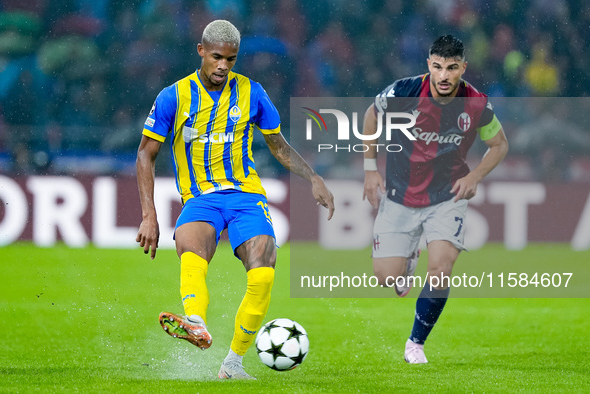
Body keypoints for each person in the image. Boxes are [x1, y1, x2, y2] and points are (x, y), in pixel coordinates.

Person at [135, 20, 334, 379]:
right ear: (201, 52)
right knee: (190, 247)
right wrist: (149, 215)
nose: (224, 66)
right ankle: (195, 321)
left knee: (263, 274)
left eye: (231, 59)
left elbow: (278, 144)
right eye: (217, 57)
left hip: (246, 196)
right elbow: (145, 154)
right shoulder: (173, 97)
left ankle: (233, 364)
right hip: (200, 198)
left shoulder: (252, 92)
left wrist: (313, 177)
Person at [362, 35, 508, 364]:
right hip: (400, 194)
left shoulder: (477, 103)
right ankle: (407, 260)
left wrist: (473, 177)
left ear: (463, 68)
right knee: (387, 277)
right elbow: (372, 115)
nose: (444, 76)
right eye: (438, 67)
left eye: (452, 68)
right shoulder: (404, 92)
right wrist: (370, 170)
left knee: (441, 269)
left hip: (448, 195)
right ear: (429, 64)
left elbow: (499, 145)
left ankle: (416, 343)